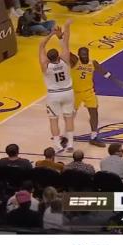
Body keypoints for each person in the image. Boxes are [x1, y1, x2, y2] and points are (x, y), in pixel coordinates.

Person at [70, 47, 123, 147]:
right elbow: (66, 52)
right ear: (78, 55)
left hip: (89, 92)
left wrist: (117, 81)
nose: (84, 56)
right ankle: (66, 136)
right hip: (75, 93)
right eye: (82, 54)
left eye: (86, 54)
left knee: (94, 113)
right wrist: (61, 39)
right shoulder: (75, 61)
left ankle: (94, 137)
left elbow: (105, 73)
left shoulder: (93, 63)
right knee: (70, 115)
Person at [39, 19, 75, 153]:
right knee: (69, 118)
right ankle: (70, 144)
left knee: (53, 120)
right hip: (68, 92)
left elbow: (41, 46)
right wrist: (65, 28)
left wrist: (51, 34)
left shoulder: (45, 65)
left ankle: (58, 145)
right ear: (58, 56)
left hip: (53, 94)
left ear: (48, 58)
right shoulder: (65, 60)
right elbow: (66, 42)